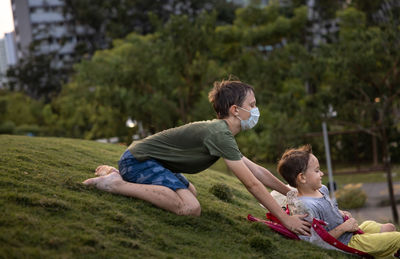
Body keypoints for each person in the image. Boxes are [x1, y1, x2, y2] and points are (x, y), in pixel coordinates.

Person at [83, 78, 310, 235]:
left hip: (148, 162)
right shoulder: (220, 133)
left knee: (190, 192)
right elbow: (250, 182)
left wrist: (290, 193)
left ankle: (117, 176)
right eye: (252, 105)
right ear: (235, 110)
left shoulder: (221, 133)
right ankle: (114, 184)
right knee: (190, 208)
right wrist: (285, 218)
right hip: (138, 161)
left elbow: (257, 171)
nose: (255, 110)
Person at [277, 145, 400, 258]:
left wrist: (340, 213)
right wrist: (344, 227)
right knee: (397, 239)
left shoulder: (322, 189)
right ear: (302, 177)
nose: (322, 173)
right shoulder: (305, 207)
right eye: (316, 171)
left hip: (351, 233)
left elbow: (329, 208)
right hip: (346, 243)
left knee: (389, 227)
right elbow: (316, 242)